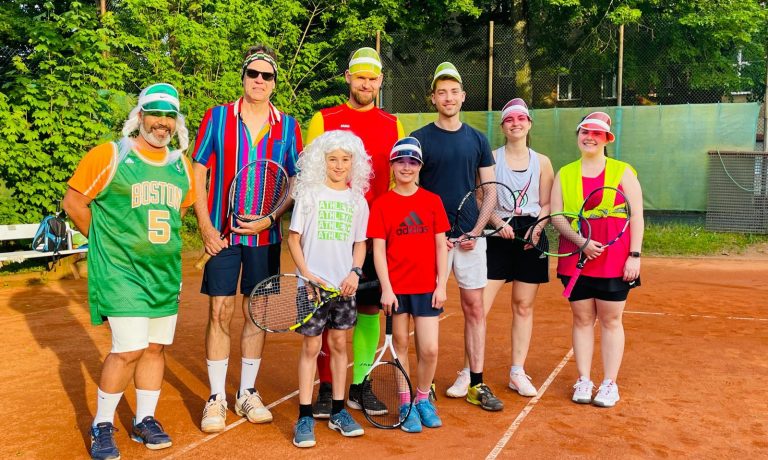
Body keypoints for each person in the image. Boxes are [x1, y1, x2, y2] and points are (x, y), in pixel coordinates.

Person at [62, 83, 195, 459]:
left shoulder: (180, 165)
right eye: (155, 114)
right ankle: (102, 424)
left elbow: (178, 214)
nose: (162, 123)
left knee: (154, 348)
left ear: (176, 122)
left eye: (169, 116)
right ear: (140, 116)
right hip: (121, 273)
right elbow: (74, 203)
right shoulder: (111, 155)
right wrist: (106, 245)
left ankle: (144, 419)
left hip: (164, 274)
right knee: (128, 348)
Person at [192, 45, 303, 432]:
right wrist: (205, 226)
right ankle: (216, 398)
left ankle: (247, 392)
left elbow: (294, 181)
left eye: (266, 75)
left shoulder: (288, 126)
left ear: (274, 83)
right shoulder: (217, 117)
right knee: (219, 312)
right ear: (243, 78)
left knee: (257, 313)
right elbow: (198, 171)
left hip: (265, 238)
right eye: (253, 74)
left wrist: (270, 218)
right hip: (220, 236)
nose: (259, 80)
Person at [305, 47, 405, 418]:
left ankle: (360, 385)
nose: (366, 83)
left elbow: (395, 183)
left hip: (372, 236)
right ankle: (327, 386)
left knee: (368, 309)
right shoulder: (324, 119)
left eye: (372, 78)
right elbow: (310, 178)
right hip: (329, 234)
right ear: (348, 77)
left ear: (380, 81)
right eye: (360, 76)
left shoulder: (393, 124)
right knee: (325, 310)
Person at [412, 62, 503, 411]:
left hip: (469, 238)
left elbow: (489, 190)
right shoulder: (419, 139)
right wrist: (432, 235)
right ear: (433, 98)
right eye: (442, 92)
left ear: (463, 96)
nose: (448, 98)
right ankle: (427, 385)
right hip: (430, 240)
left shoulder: (478, 139)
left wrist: (476, 231)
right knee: (427, 309)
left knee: (475, 308)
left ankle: (476, 383)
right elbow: (411, 190)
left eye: (453, 92)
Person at [550, 111, 644, 408]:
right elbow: (557, 216)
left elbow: (637, 216)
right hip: (576, 256)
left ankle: (609, 383)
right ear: (578, 135)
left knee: (611, 320)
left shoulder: (623, 171)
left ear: (606, 139)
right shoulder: (564, 173)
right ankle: (584, 379)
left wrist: (635, 256)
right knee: (581, 319)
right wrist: (583, 243)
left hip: (614, 257)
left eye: (597, 133)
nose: (589, 137)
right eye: (585, 132)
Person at [287, 130, 371, 447]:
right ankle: (305, 415)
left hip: (343, 289)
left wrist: (354, 272)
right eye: (332, 159)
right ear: (321, 161)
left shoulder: (357, 201)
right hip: (311, 288)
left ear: (354, 163)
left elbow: (360, 244)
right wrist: (307, 275)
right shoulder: (310, 195)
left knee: (338, 345)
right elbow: (293, 239)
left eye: (345, 159)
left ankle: (338, 411)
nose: (338, 165)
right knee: (310, 348)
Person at [368, 137, 449, 433]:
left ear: (420, 167)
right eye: (401, 161)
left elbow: (441, 246)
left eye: (412, 162)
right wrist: (387, 289)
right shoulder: (382, 204)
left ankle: (423, 398)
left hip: (427, 288)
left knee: (429, 349)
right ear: (392, 165)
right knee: (400, 344)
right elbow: (378, 250)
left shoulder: (432, 201)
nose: (406, 167)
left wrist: (442, 284)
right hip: (397, 290)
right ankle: (405, 404)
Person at [482, 99, 554, 397]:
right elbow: (482, 199)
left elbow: (547, 203)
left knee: (523, 306)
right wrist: (498, 222)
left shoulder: (543, 162)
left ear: (529, 124)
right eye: (510, 119)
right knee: (479, 308)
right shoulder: (490, 159)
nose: (516, 123)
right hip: (497, 233)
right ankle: (469, 372)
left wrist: (538, 228)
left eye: (521, 118)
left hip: (531, 235)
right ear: (503, 126)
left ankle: (517, 372)